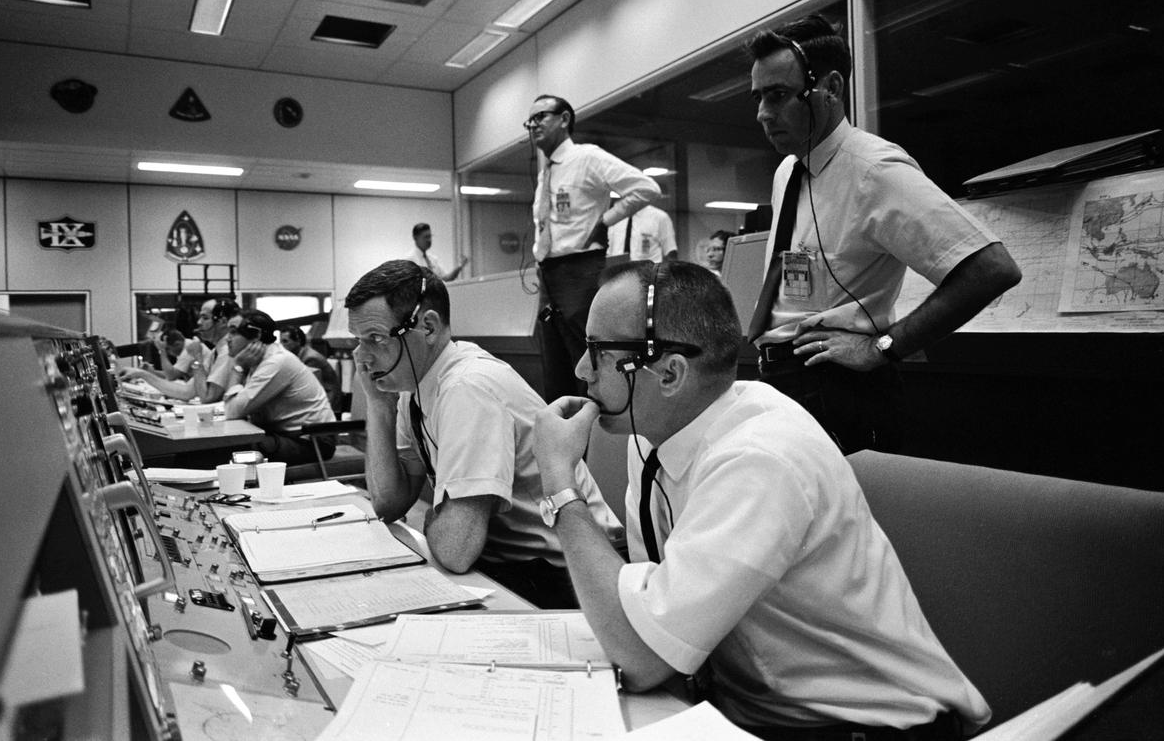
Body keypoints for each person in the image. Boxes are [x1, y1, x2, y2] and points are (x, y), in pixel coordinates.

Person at [532, 261, 990, 738]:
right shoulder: (651, 436)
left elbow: (644, 658)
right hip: (746, 712)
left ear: (669, 373)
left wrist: (561, 487)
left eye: (598, 351)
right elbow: (646, 626)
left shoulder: (759, 459)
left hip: (862, 727)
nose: (581, 370)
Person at [744, 15, 1021, 453]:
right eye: (758, 97)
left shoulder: (875, 170)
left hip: (838, 389)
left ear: (831, 89)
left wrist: (883, 347)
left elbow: (991, 269)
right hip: (783, 381)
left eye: (778, 96)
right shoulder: (788, 170)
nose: (763, 114)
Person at [343, 259, 621, 608]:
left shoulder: (468, 388)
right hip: (511, 566)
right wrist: (378, 406)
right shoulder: (413, 390)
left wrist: (436, 518)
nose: (361, 357)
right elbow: (388, 503)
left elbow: (456, 549)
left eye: (375, 339)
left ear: (427, 327)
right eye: (358, 341)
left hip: (569, 577)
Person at [527, 93, 662, 400]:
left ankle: (593, 440)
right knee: (554, 360)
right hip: (550, 275)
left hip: (579, 271)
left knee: (584, 358)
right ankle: (564, 433)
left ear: (564, 119)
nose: (533, 125)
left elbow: (646, 188)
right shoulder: (545, 172)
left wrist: (606, 220)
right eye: (530, 120)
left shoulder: (587, 158)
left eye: (540, 117)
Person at [222, 309, 336, 466]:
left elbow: (232, 411)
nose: (227, 338)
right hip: (289, 436)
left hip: (313, 442)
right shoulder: (261, 360)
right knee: (231, 446)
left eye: (233, 332)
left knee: (236, 450)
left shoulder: (276, 362)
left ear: (256, 335)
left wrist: (238, 367)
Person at [118, 297, 237, 403]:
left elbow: (206, 397)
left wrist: (197, 359)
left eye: (205, 318)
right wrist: (142, 374)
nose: (199, 322)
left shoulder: (227, 352)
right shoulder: (215, 352)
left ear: (222, 322)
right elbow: (186, 392)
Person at [280, 326, 341, 413]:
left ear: (298, 340)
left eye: (285, 341)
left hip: (328, 402)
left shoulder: (310, 358)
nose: (282, 346)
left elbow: (306, 387)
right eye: (281, 342)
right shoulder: (299, 355)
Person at [606, 204, 678, 263]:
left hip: (648, 276)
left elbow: (670, 252)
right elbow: (608, 253)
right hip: (618, 275)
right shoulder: (614, 217)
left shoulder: (659, 217)